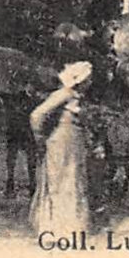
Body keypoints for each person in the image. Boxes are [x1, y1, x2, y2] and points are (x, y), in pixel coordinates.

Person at [28, 61, 93, 237]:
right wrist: (39, 137)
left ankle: (72, 226)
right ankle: (56, 227)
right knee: (59, 182)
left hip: (74, 145)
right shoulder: (64, 94)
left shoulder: (79, 97)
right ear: (80, 80)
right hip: (59, 143)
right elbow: (37, 115)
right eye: (88, 78)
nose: (90, 82)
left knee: (73, 181)